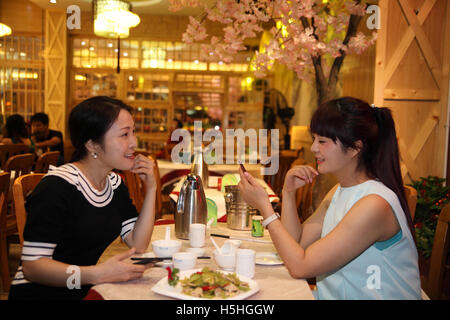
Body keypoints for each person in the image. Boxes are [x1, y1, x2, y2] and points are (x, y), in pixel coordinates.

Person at [238, 97, 422, 300]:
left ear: (354, 148)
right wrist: (288, 194)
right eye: (314, 139)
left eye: (323, 141)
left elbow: (300, 266)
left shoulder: (374, 205)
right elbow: (295, 245)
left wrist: (265, 208)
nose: (313, 148)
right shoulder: (340, 190)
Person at [8, 96, 158, 300]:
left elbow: (137, 245)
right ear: (92, 144)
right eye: (124, 134)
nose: (134, 143)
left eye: (133, 132)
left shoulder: (114, 184)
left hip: (84, 289)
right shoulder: (57, 187)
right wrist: (97, 274)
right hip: (41, 294)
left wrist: (151, 188)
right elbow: (32, 268)